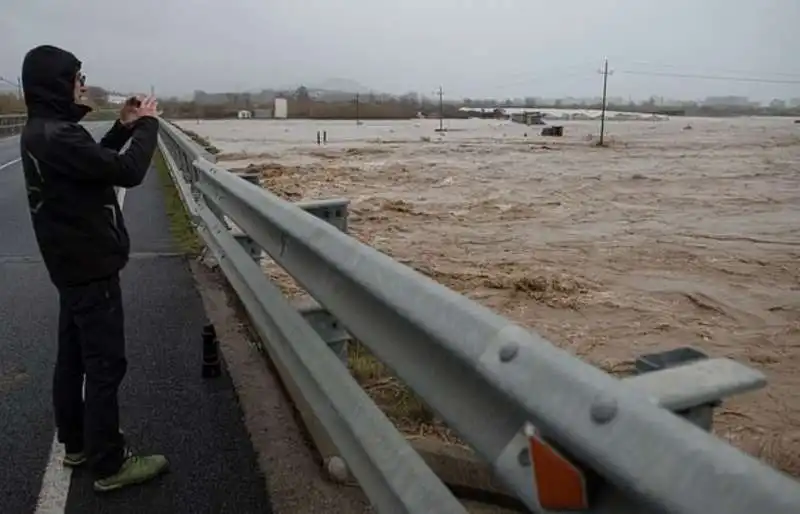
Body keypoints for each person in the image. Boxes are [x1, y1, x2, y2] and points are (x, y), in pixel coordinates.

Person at [20, 45, 168, 493]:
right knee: (105, 364)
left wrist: (122, 127)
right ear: (57, 83)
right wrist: (148, 125)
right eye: (77, 77)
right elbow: (125, 171)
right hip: (90, 266)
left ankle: (77, 443)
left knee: (73, 359)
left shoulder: (47, 132)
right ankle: (109, 463)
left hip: (68, 265)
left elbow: (93, 167)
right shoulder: (58, 135)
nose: (82, 84)